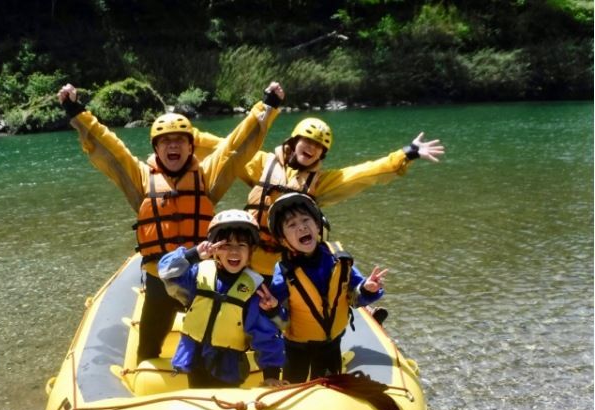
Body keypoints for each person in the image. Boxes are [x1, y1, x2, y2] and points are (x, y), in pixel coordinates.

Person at [57, 81, 285, 363]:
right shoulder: (141, 179)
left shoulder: (206, 177)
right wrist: (78, 112)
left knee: (218, 337)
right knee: (148, 348)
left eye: (180, 140)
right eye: (165, 140)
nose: (173, 145)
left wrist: (267, 106)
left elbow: (235, 148)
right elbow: (110, 151)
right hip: (158, 278)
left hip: (202, 279)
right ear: (156, 147)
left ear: (192, 147)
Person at [198, 116, 445, 277]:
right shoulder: (264, 164)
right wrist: (190, 138)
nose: (311, 147)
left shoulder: (321, 183)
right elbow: (227, 148)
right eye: (306, 141)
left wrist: (406, 154)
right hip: (246, 258)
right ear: (294, 142)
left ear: (322, 153)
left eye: (318, 146)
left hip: (283, 265)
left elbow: (364, 173)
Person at [157, 209, 286, 389]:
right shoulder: (197, 275)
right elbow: (165, 272)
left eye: (241, 245)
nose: (234, 251)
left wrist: (271, 375)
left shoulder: (255, 291)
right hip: (195, 359)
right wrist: (192, 254)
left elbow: (266, 335)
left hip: (229, 366)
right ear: (215, 250)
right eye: (226, 245)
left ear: (251, 251)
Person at [267, 192, 387, 383]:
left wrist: (367, 289)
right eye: (292, 225)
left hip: (330, 344)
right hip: (296, 347)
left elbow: (355, 299)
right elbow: (280, 322)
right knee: (293, 388)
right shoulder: (284, 271)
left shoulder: (340, 260)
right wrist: (272, 308)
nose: (302, 227)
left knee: (332, 387)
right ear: (283, 240)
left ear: (318, 225)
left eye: (306, 220)